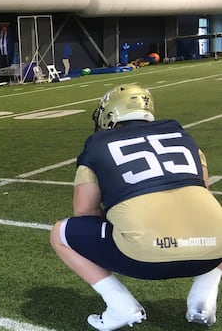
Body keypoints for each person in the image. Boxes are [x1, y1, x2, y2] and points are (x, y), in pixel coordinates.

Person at [50, 84, 222, 330]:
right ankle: (203, 298)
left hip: (143, 258)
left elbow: (84, 210)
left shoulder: (98, 144)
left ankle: (119, 305)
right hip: (213, 253)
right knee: (214, 223)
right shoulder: (185, 138)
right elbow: (201, 189)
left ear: (111, 112)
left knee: (60, 234)